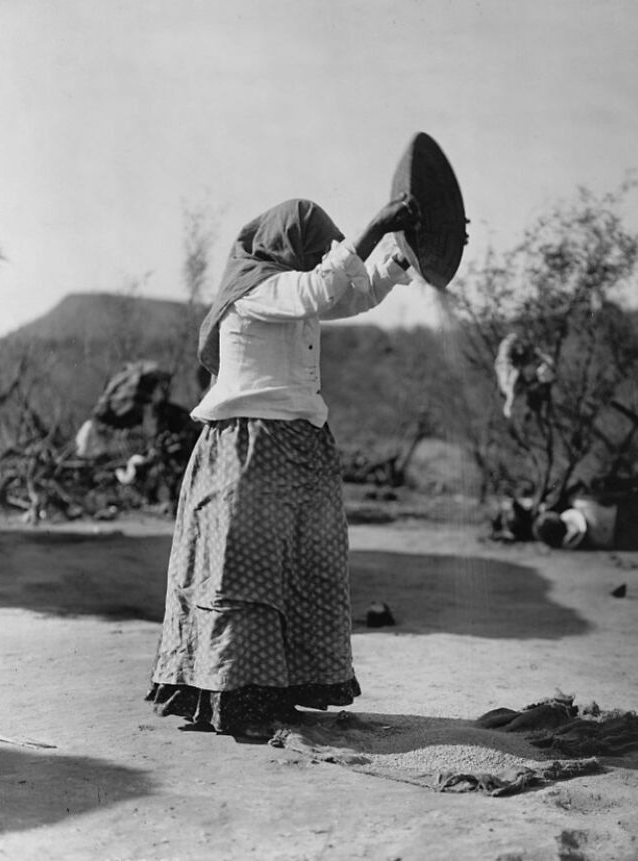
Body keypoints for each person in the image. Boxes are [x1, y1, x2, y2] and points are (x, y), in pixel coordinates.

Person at [145, 195, 419, 739]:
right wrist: (373, 228)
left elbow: (349, 295)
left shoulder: (293, 297)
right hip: (250, 445)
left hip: (299, 445)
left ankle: (279, 690)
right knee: (246, 573)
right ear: (286, 247)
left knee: (298, 570)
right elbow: (322, 287)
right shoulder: (256, 293)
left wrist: (398, 259)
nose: (322, 257)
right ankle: (233, 698)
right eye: (315, 247)